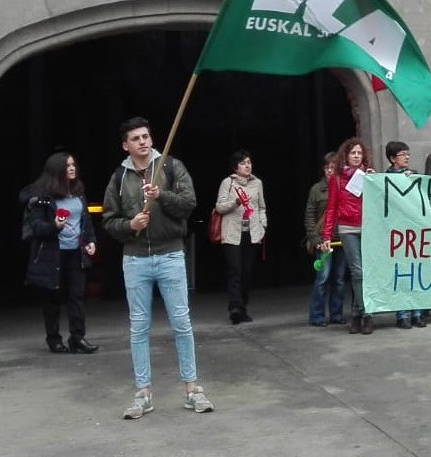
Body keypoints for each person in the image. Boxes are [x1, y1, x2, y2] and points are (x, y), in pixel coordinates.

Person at [102, 117, 212, 418]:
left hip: (170, 255)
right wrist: (131, 224)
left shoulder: (170, 166)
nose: (143, 141)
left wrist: (161, 195)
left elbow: (190, 203)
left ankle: (192, 389)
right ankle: (143, 393)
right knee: (139, 327)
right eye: (136, 138)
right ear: (125, 145)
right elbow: (109, 221)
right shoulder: (119, 177)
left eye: (146, 136)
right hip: (135, 258)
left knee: (181, 323)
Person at [20, 151, 98, 354]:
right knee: (52, 297)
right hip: (52, 253)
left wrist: (90, 241)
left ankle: (78, 338)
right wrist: (54, 226)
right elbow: (36, 227)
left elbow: (86, 220)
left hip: (76, 252)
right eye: (67, 166)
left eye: (73, 165)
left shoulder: (78, 191)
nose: (72, 168)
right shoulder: (43, 197)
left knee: (77, 296)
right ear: (56, 171)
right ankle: (54, 338)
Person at [322, 137, 376, 334]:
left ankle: (360, 313)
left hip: (367, 227)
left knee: (366, 272)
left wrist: (373, 181)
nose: (356, 156)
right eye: (352, 152)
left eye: (359, 153)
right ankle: (363, 313)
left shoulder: (368, 176)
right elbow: (331, 208)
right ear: (345, 155)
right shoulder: (337, 179)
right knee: (357, 271)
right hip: (347, 228)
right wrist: (326, 236)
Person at [215, 149, 267, 325]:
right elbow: (220, 207)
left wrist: (263, 225)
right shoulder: (227, 183)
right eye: (243, 163)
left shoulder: (257, 183)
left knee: (247, 271)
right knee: (235, 270)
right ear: (235, 167)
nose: (247, 165)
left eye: (249, 162)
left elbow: (261, 207)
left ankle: (243, 306)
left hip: (252, 233)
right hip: (232, 233)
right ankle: (235, 308)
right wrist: (234, 202)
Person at [384, 141, 428, 329]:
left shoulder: (414, 175)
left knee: (416, 272)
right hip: (397, 232)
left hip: (413, 230)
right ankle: (402, 315)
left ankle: (417, 313)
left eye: (408, 154)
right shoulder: (384, 178)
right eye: (403, 154)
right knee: (401, 274)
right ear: (393, 158)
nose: (407, 157)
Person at [305, 152, 347, 327]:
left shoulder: (346, 187)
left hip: (343, 238)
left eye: (333, 167)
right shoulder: (317, 189)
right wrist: (316, 240)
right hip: (324, 240)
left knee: (339, 278)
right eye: (327, 167)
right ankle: (317, 316)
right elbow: (309, 217)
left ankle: (336, 314)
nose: (330, 170)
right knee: (323, 277)